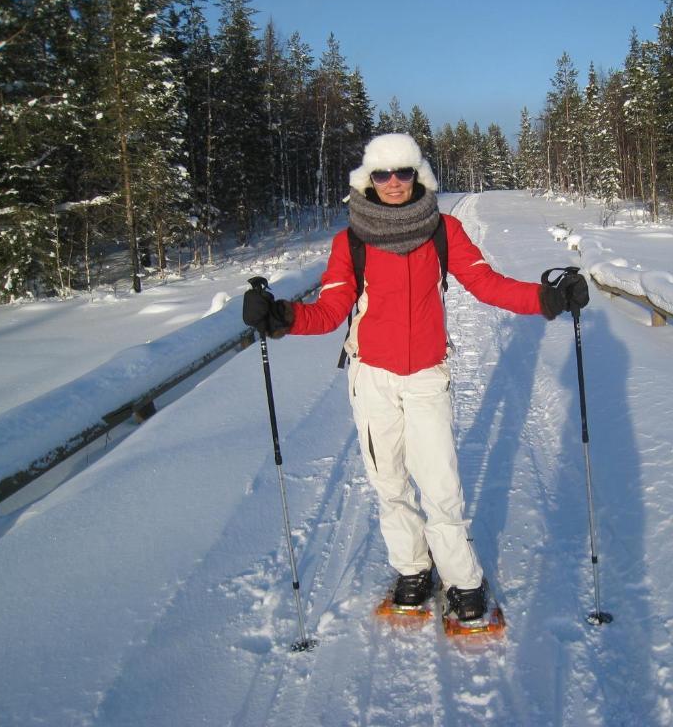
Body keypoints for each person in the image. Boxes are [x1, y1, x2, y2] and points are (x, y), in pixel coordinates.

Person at [243, 133, 588, 621]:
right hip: (372, 377)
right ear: (368, 180)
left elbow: (485, 283)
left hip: (426, 374)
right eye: (382, 174)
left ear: (417, 176)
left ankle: (461, 579)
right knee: (389, 482)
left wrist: (547, 298)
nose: (393, 183)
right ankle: (411, 568)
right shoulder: (350, 242)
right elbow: (331, 308)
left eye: (402, 172)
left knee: (440, 482)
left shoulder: (443, 231)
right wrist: (281, 316)